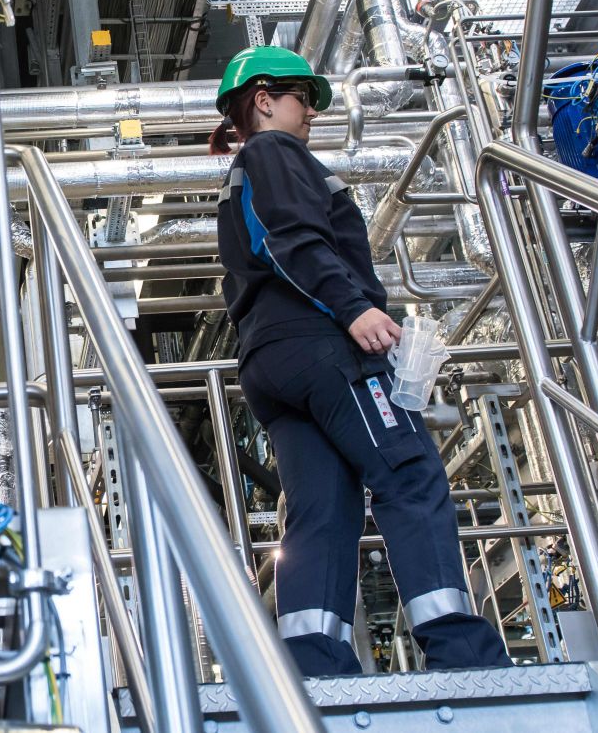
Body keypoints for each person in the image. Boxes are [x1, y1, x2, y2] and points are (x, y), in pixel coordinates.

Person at [211, 45, 509, 676]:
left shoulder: (244, 170)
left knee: (323, 509)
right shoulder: (273, 152)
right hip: (322, 346)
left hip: (272, 363)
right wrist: (352, 309)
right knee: (408, 474)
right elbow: (292, 237)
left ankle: (314, 666)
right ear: (264, 99)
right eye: (303, 100)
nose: (312, 115)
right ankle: (461, 654)